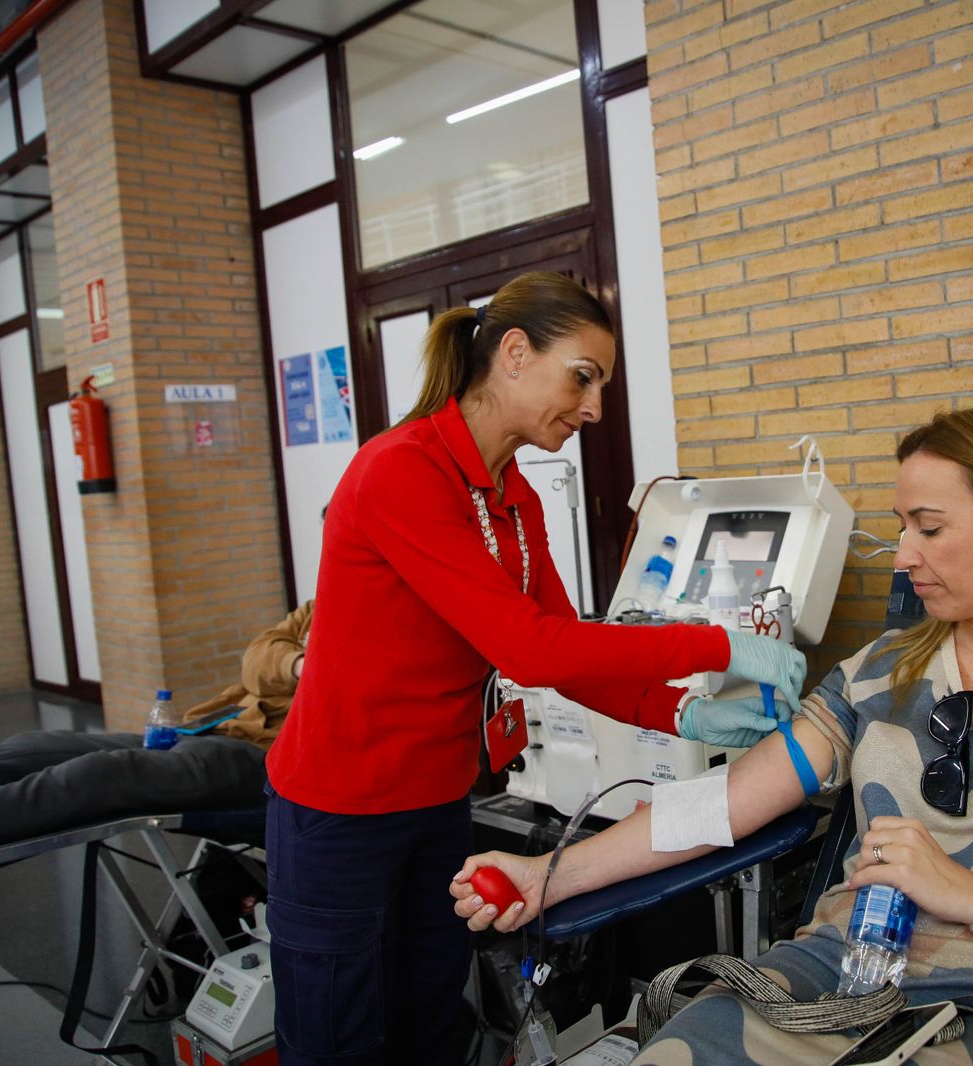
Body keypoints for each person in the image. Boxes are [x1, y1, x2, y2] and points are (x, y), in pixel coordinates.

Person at [454, 409, 973, 1066]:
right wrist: (546, 876)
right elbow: (718, 805)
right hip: (839, 982)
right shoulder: (877, 672)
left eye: (930, 528)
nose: (904, 554)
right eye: (900, 528)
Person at [263, 271, 805, 1066]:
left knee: (429, 1028)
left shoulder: (515, 498)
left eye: (602, 387)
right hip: (341, 810)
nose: (592, 408)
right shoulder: (401, 472)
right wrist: (716, 645)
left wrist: (680, 713)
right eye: (581, 378)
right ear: (514, 354)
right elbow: (532, 648)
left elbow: (562, 648)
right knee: (337, 1042)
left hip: (437, 800)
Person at [0, 600, 312, 872]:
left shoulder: (376, 621)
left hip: (260, 761)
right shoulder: (318, 607)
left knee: (97, 776)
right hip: (210, 730)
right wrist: (298, 663)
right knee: (36, 747)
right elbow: (257, 658)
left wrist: (315, 662)